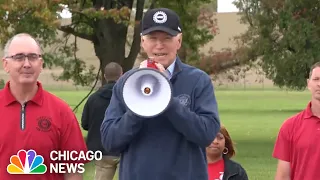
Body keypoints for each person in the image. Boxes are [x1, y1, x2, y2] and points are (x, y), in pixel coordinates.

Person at [100, 7, 221, 180]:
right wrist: (139, 106)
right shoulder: (126, 83)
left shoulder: (198, 80)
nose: (159, 45)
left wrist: (167, 101)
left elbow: (207, 134)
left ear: (178, 41)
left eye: (167, 38)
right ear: (142, 41)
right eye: (152, 38)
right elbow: (110, 141)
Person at [0, 33, 89, 180]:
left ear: (41, 64)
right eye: (19, 57)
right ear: (6, 64)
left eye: (33, 57)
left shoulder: (62, 112)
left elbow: (73, 171)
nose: (27, 64)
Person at [272, 61, 320, 180]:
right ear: (308, 84)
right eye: (316, 79)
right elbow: (283, 176)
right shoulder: (290, 126)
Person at [81, 62, 123, 180]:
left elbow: (85, 124)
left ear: (104, 76)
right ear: (121, 75)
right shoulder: (126, 98)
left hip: (100, 149)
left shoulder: (93, 98)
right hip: (122, 149)